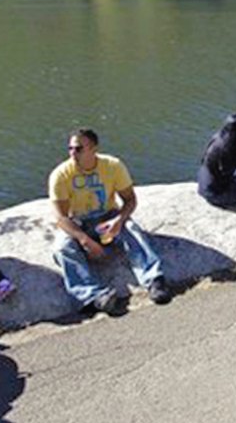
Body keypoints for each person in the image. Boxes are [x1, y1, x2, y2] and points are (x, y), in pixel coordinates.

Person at [49, 128, 171, 315]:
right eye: (70, 148)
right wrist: (85, 240)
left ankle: (154, 280)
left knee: (133, 229)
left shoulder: (113, 166)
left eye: (79, 148)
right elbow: (61, 218)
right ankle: (94, 296)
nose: (73, 153)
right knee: (61, 248)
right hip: (78, 222)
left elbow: (130, 199)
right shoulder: (61, 175)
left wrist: (119, 220)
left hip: (107, 215)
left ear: (93, 148)